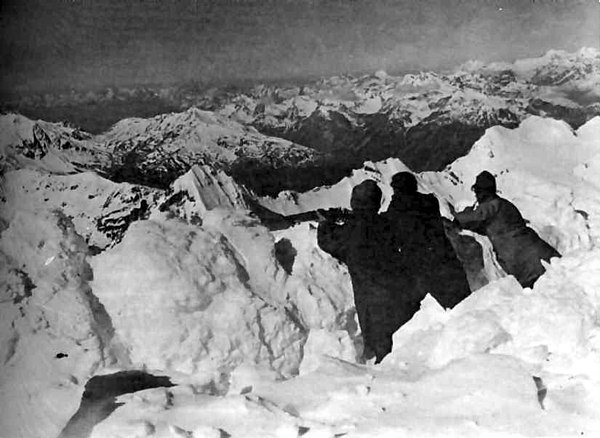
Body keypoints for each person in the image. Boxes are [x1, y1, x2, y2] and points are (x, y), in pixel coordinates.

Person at [317, 180, 416, 363]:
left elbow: (328, 242)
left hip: (369, 294)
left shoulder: (350, 230)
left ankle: (383, 372)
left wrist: (325, 224)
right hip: (398, 288)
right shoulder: (386, 223)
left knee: (379, 339)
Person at [450, 171, 560, 288]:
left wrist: (456, 217)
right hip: (537, 250)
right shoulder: (505, 204)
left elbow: (473, 218)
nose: (476, 195)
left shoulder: (491, 206)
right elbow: (486, 226)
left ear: (482, 192)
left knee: (541, 289)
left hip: (522, 258)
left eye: (477, 191)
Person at [384, 172, 471, 308]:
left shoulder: (396, 209)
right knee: (465, 304)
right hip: (445, 259)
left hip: (422, 268)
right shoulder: (430, 201)